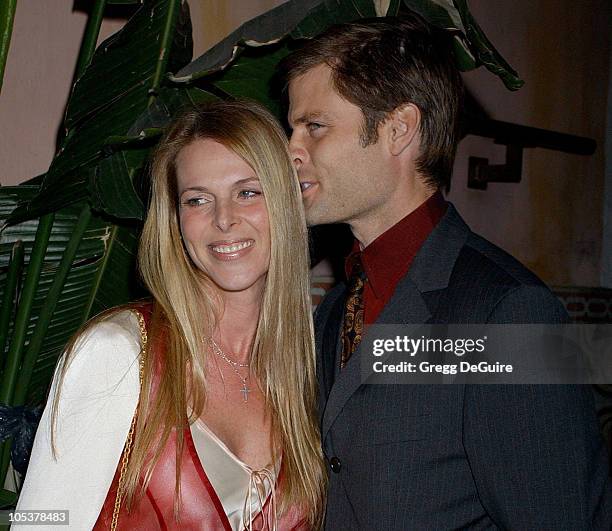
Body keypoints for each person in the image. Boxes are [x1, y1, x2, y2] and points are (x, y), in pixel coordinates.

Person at [280, 14, 612, 530]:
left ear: (398, 129)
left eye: (315, 127)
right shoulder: (338, 307)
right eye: (293, 127)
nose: (291, 149)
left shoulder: (509, 314)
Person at [16, 100, 326, 530]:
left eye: (248, 192)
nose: (224, 219)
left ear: (285, 204)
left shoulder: (306, 368)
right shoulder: (120, 353)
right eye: (198, 200)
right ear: (175, 220)